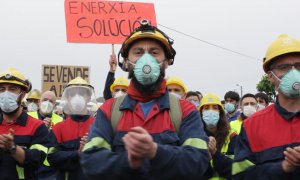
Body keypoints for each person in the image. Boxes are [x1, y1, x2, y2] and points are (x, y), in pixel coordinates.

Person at [80, 20, 209, 179]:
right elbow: (91, 161)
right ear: (126, 62)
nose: (146, 59)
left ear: (167, 61)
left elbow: (199, 162)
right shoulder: (108, 110)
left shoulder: (186, 111)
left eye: (154, 52)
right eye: (138, 52)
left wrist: (156, 152)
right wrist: (128, 161)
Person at [233, 34, 300, 179]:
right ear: (270, 76)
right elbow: (240, 175)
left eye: (299, 66)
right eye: (284, 67)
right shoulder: (251, 126)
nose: (294, 72)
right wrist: (282, 167)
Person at [0, 68, 49, 179]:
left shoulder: (38, 127)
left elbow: (37, 160)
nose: (6, 93)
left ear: (22, 95)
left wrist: (12, 148)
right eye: (2, 89)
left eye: (12, 89)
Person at [48, 77, 96, 180]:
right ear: (68, 98)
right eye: (73, 94)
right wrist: (77, 153)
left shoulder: (98, 125)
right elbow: (51, 157)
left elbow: (106, 158)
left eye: (82, 93)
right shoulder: (58, 128)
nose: (77, 97)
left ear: (88, 97)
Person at [199, 93, 237, 180]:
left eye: (215, 108)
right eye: (206, 108)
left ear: (220, 112)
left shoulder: (232, 136)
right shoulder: (196, 137)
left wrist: (215, 154)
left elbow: (236, 169)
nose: (211, 111)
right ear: (201, 113)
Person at [28, 90, 63, 180]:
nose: (47, 103)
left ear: (55, 105)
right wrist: (41, 129)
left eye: (51, 101)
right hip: (30, 163)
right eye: (45, 100)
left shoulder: (60, 120)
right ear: (39, 102)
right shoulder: (28, 116)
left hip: (50, 169)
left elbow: (60, 144)